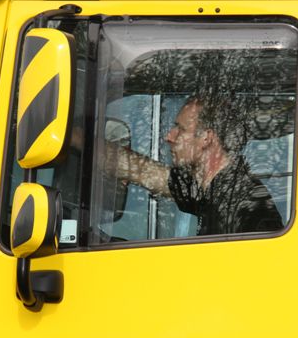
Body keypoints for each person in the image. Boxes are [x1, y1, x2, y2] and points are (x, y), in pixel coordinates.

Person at [106, 94, 284, 236]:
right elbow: (142, 171)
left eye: (180, 129)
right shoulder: (209, 189)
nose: (169, 137)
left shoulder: (241, 203)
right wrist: (92, 146)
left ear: (206, 138)